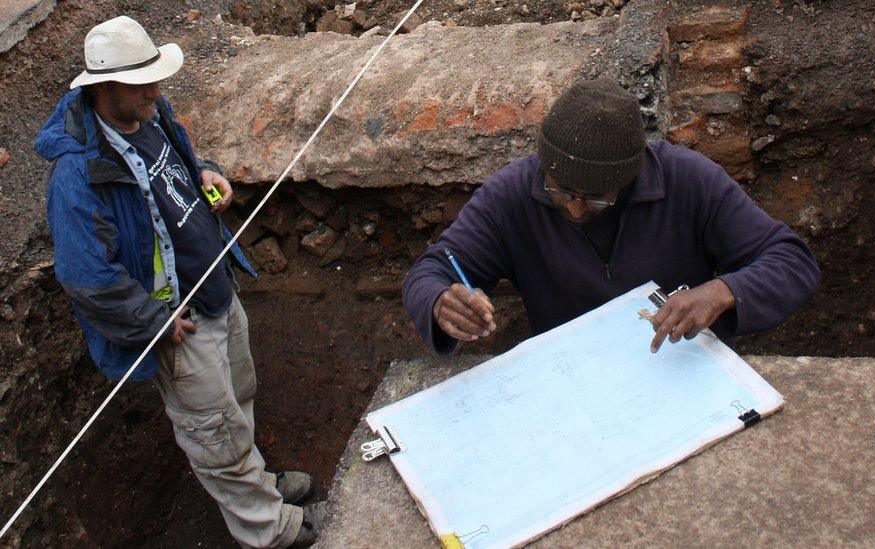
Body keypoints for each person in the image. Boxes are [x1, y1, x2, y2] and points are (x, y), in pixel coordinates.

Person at [36, 16, 316, 548]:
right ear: (103, 87)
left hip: (215, 287)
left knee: (238, 396)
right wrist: (155, 323)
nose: (156, 90)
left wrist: (205, 170)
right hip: (176, 320)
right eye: (142, 83)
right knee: (212, 432)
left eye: (155, 79)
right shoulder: (79, 171)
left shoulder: (151, 113)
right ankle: (272, 530)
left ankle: (258, 484)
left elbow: (176, 167)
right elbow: (86, 277)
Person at [403, 78, 819, 355]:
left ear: (630, 178)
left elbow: (792, 261)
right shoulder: (511, 195)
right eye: (561, 191)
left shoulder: (689, 182)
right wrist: (440, 301)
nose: (576, 208)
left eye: (597, 198)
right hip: (570, 380)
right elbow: (430, 271)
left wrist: (722, 291)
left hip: (680, 369)